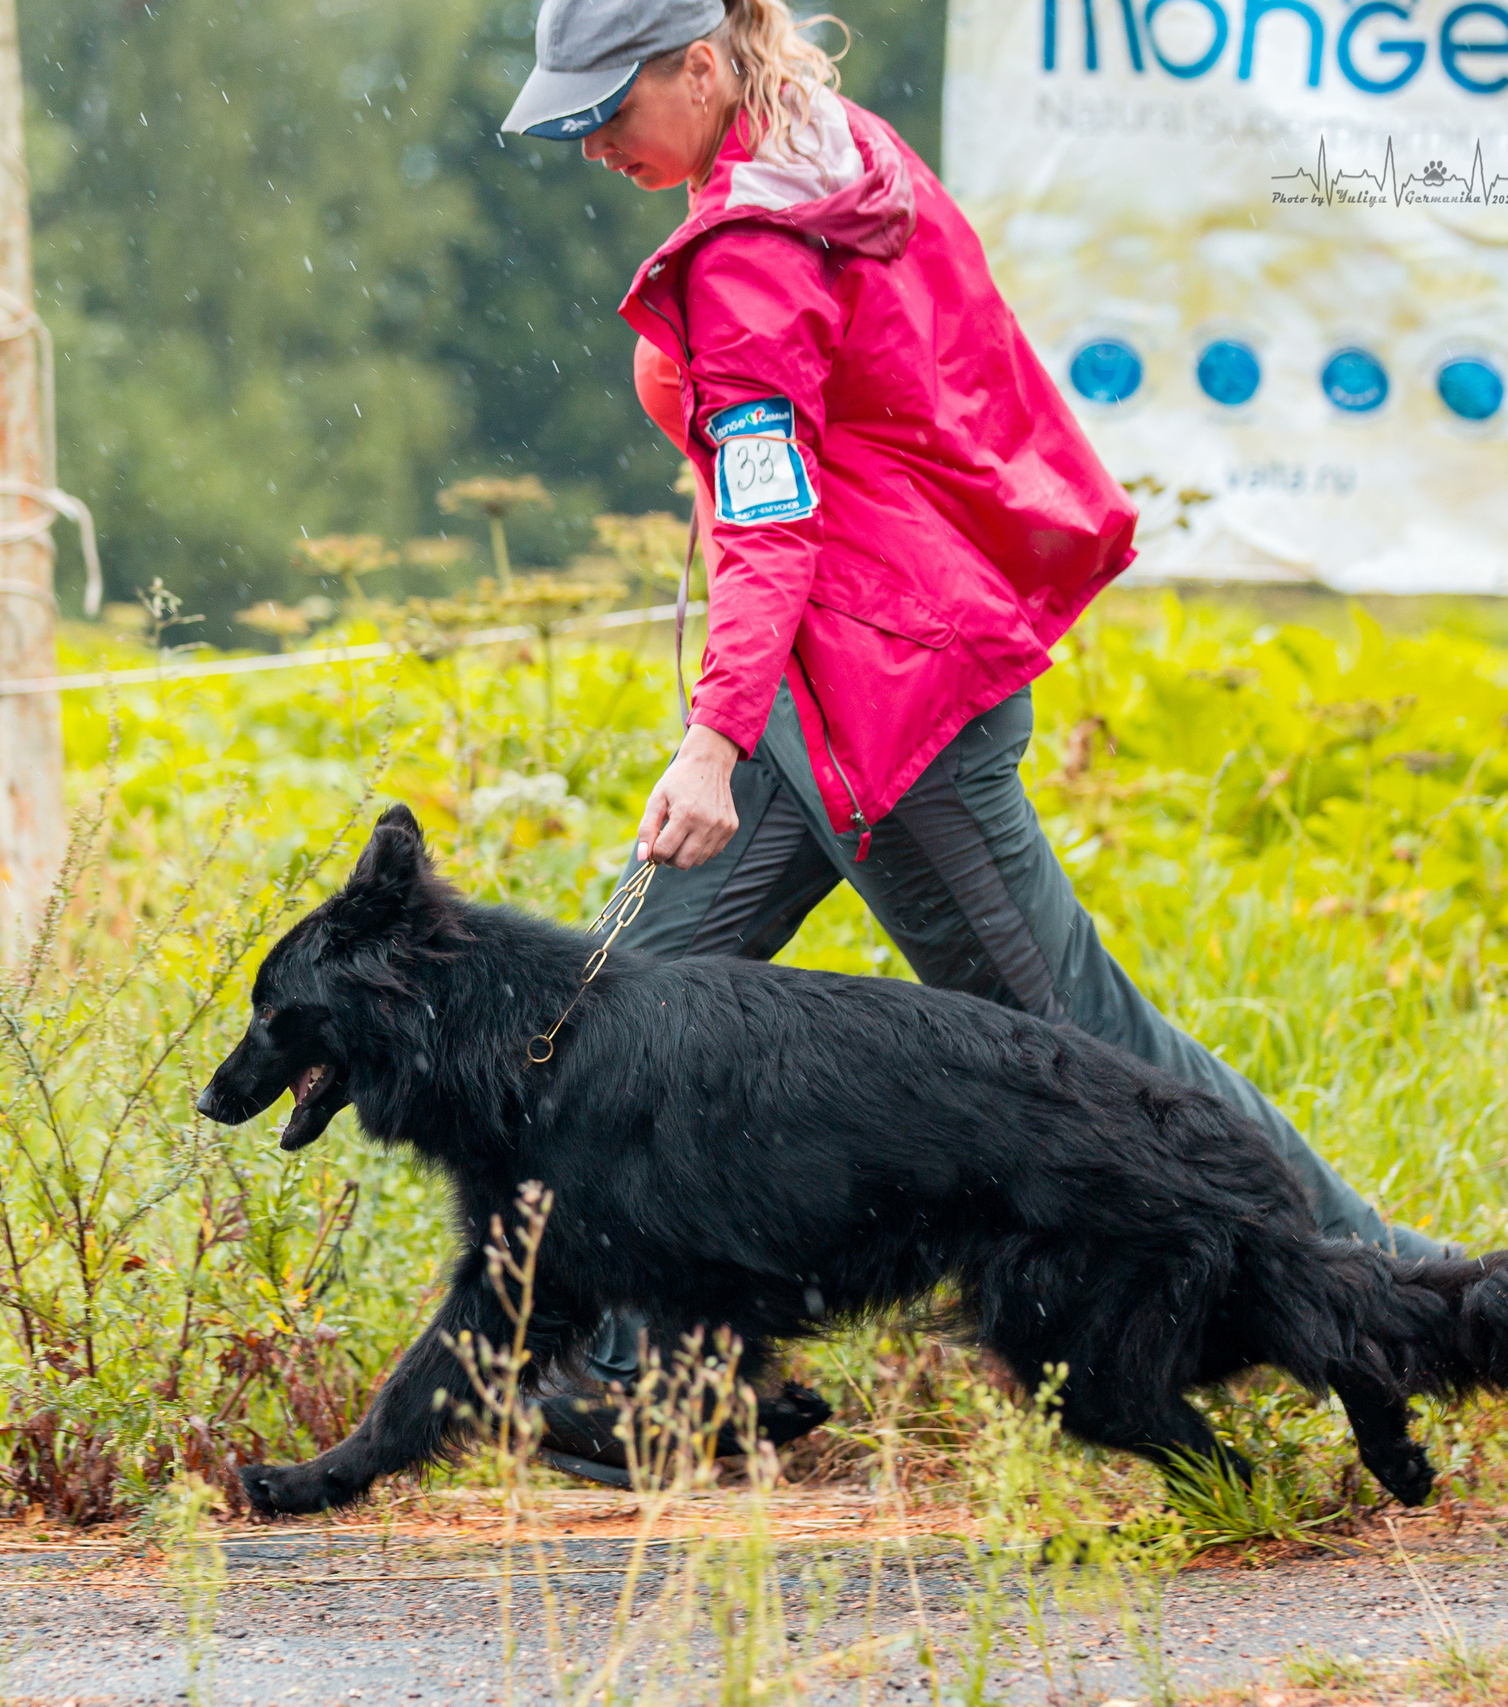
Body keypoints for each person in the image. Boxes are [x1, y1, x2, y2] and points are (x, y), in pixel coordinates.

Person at [497, 0, 1458, 1484]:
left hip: (891, 712)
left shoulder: (757, 244)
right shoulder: (828, 153)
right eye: (571, 118)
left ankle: (1392, 1296)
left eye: (608, 108)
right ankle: (654, 1375)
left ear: (701, 65)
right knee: (618, 1016)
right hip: (827, 693)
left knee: (1088, 1056)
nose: (593, 143)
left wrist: (708, 736)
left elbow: (771, 523)